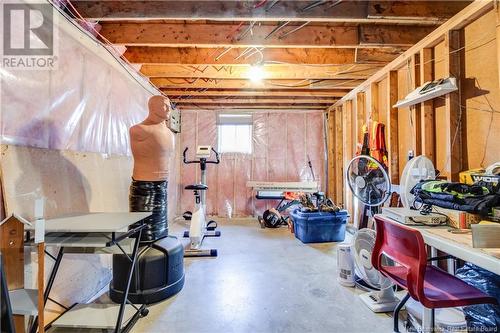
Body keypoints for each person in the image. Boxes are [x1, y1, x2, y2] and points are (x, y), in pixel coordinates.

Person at [129, 95, 174, 242]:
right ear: (152, 107)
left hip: (162, 185)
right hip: (144, 188)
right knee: (143, 238)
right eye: (164, 105)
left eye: (169, 105)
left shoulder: (169, 133)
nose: (169, 108)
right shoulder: (139, 130)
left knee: (160, 235)